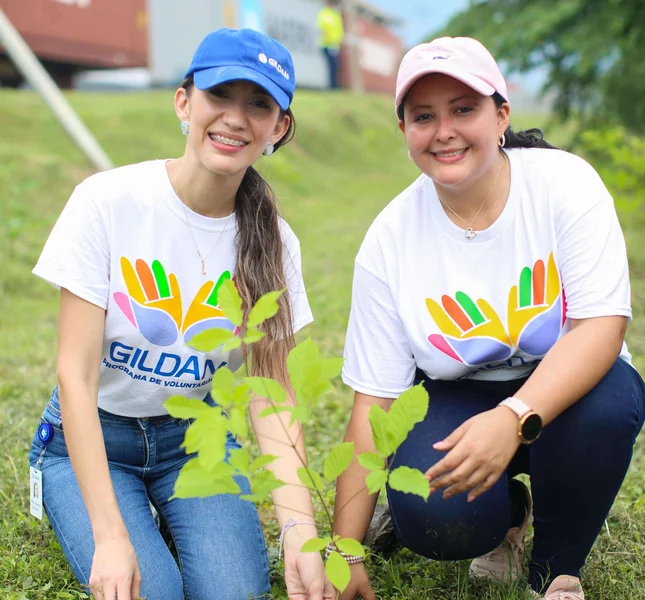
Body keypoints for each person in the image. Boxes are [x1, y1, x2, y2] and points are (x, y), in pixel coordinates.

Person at [333, 36, 645, 599]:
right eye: (423, 116)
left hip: (571, 387)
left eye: (464, 109)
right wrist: (344, 549)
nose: (444, 130)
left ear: (501, 115)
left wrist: (514, 416)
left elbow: (601, 328)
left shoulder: (563, 185)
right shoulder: (389, 240)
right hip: (457, 396)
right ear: (403, 131)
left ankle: (556, 571)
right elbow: (373, 408)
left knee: (608, 407)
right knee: (430, 512)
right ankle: (506, 518)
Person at [28, 28, 335, 600]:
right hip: (91, 437)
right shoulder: (108, 202)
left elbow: (270, 391)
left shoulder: (275, 243)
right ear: (184, 102)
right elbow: (76, 375)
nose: (236, 119)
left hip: (196, 440)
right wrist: (111, 535)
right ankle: (123, 515)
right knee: (152, 591)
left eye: (259, 104)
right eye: (220, 96)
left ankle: (171, 516)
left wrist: (299, 530)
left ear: (279, 127)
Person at [317, 0, 345, 89]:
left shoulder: (336, 14)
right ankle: (331, 86)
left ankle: (334, 84)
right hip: (327, 44)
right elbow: (323, 29)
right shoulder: (325, 13)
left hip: (335, 45)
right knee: (331, 66)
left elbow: (339, 30)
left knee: (335, 66)